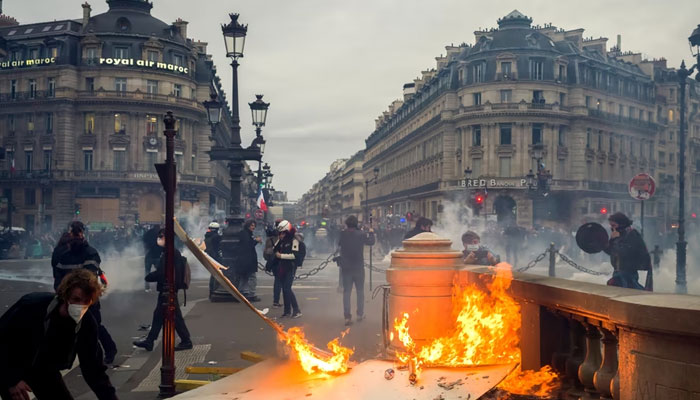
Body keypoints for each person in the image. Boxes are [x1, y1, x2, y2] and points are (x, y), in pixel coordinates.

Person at [0, 269, 118, 400]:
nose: (80, 306)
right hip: (11, 363)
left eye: (86, 301)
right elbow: (3, 341)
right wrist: (11, 380)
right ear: (65, 295)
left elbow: (93, 369)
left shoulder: (86, 324)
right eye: (76, 299)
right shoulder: (32, 306)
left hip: (45, 370)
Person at [51, 221, 117, 365]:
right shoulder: (64, 255)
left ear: (82, 234)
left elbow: (89, 279)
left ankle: (109, 349)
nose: (75, 237)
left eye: (77, 233)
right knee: (71, 327)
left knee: (94, 326)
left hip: (87, 298)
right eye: (73, 234)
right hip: (70, 298)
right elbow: (59, 277)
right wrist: (62, 293)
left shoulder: (90, 253)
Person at [133, 229, 193, 351]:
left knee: (174, 316)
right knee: (159, 315)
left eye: (161, 236)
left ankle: (186, 341)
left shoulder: (169, 253)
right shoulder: (169, 252)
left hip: (168, 289)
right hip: (168, 288)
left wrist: (149, 277)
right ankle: (150, 341)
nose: (159, 239)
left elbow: (163, 272)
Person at [337, 215, 375, 326]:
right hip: (358, 266)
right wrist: (371, 232)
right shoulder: (361, 234)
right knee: (360, 291)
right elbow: (371, 242)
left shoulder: (342, 234)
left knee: (347, 292)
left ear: (347, 224)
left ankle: (347, 316)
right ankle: (360, 314)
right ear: (356, 224)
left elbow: (339, 244)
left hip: (346, 267)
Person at [603, 212, 652, 290]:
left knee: (629, 290)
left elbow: (625, 252)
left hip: (629, 272)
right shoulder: (619, 235)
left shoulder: (632, 234)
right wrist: (609, 242)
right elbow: (611, 251)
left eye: (614, 226)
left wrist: (615, 239)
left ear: (621, 224)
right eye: (611, 226)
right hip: (618, 271)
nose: (612, 228)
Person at [272, 220, 303, 318]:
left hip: (290, 267)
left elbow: (295, 255)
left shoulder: (294, 240)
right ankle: (287, 311)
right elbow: (274, 249)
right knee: (285, 290)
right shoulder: (283, 241)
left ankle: (297, 310)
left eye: (283, 233)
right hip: (283, 267)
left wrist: (281, 256)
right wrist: (279, 240)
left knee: (287, 288)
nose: (281, 235)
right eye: (280, 233)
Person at [235, 220, 262, 302]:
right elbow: (248, 246)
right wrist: (256, 241)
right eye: (252, 225)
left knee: (244, 277)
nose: (253, 227)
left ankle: (240, 293)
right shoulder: (245, 234)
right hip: (247, 260)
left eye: (254, 226)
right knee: (252, 278)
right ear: (248, 226)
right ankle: (251, 295)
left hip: (245, 260)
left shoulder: (246, 233)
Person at [264, 221, 282, 308]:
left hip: (274, 263)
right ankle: (277, 301)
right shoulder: (286, 238)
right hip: (284, 263)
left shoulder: (270, 239)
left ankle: (276, 301)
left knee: (277, 281)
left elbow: (266, 254)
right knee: (283, 283)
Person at [204, 222, 222, 296]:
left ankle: (211, 291)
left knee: (213, 275)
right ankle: (214, 291)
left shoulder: (207, 236)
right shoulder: (216, 237)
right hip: (216, 258)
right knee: (216, 276)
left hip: (210, 257)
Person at [143, 225, 162, 292]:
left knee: (147, 272)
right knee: (160, 272)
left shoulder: (148, 233)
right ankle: (160, 286)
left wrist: (146, 248)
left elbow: (144, 240)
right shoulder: (160, 234)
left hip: (149, 255)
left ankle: (147, 288)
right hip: (156, 256)